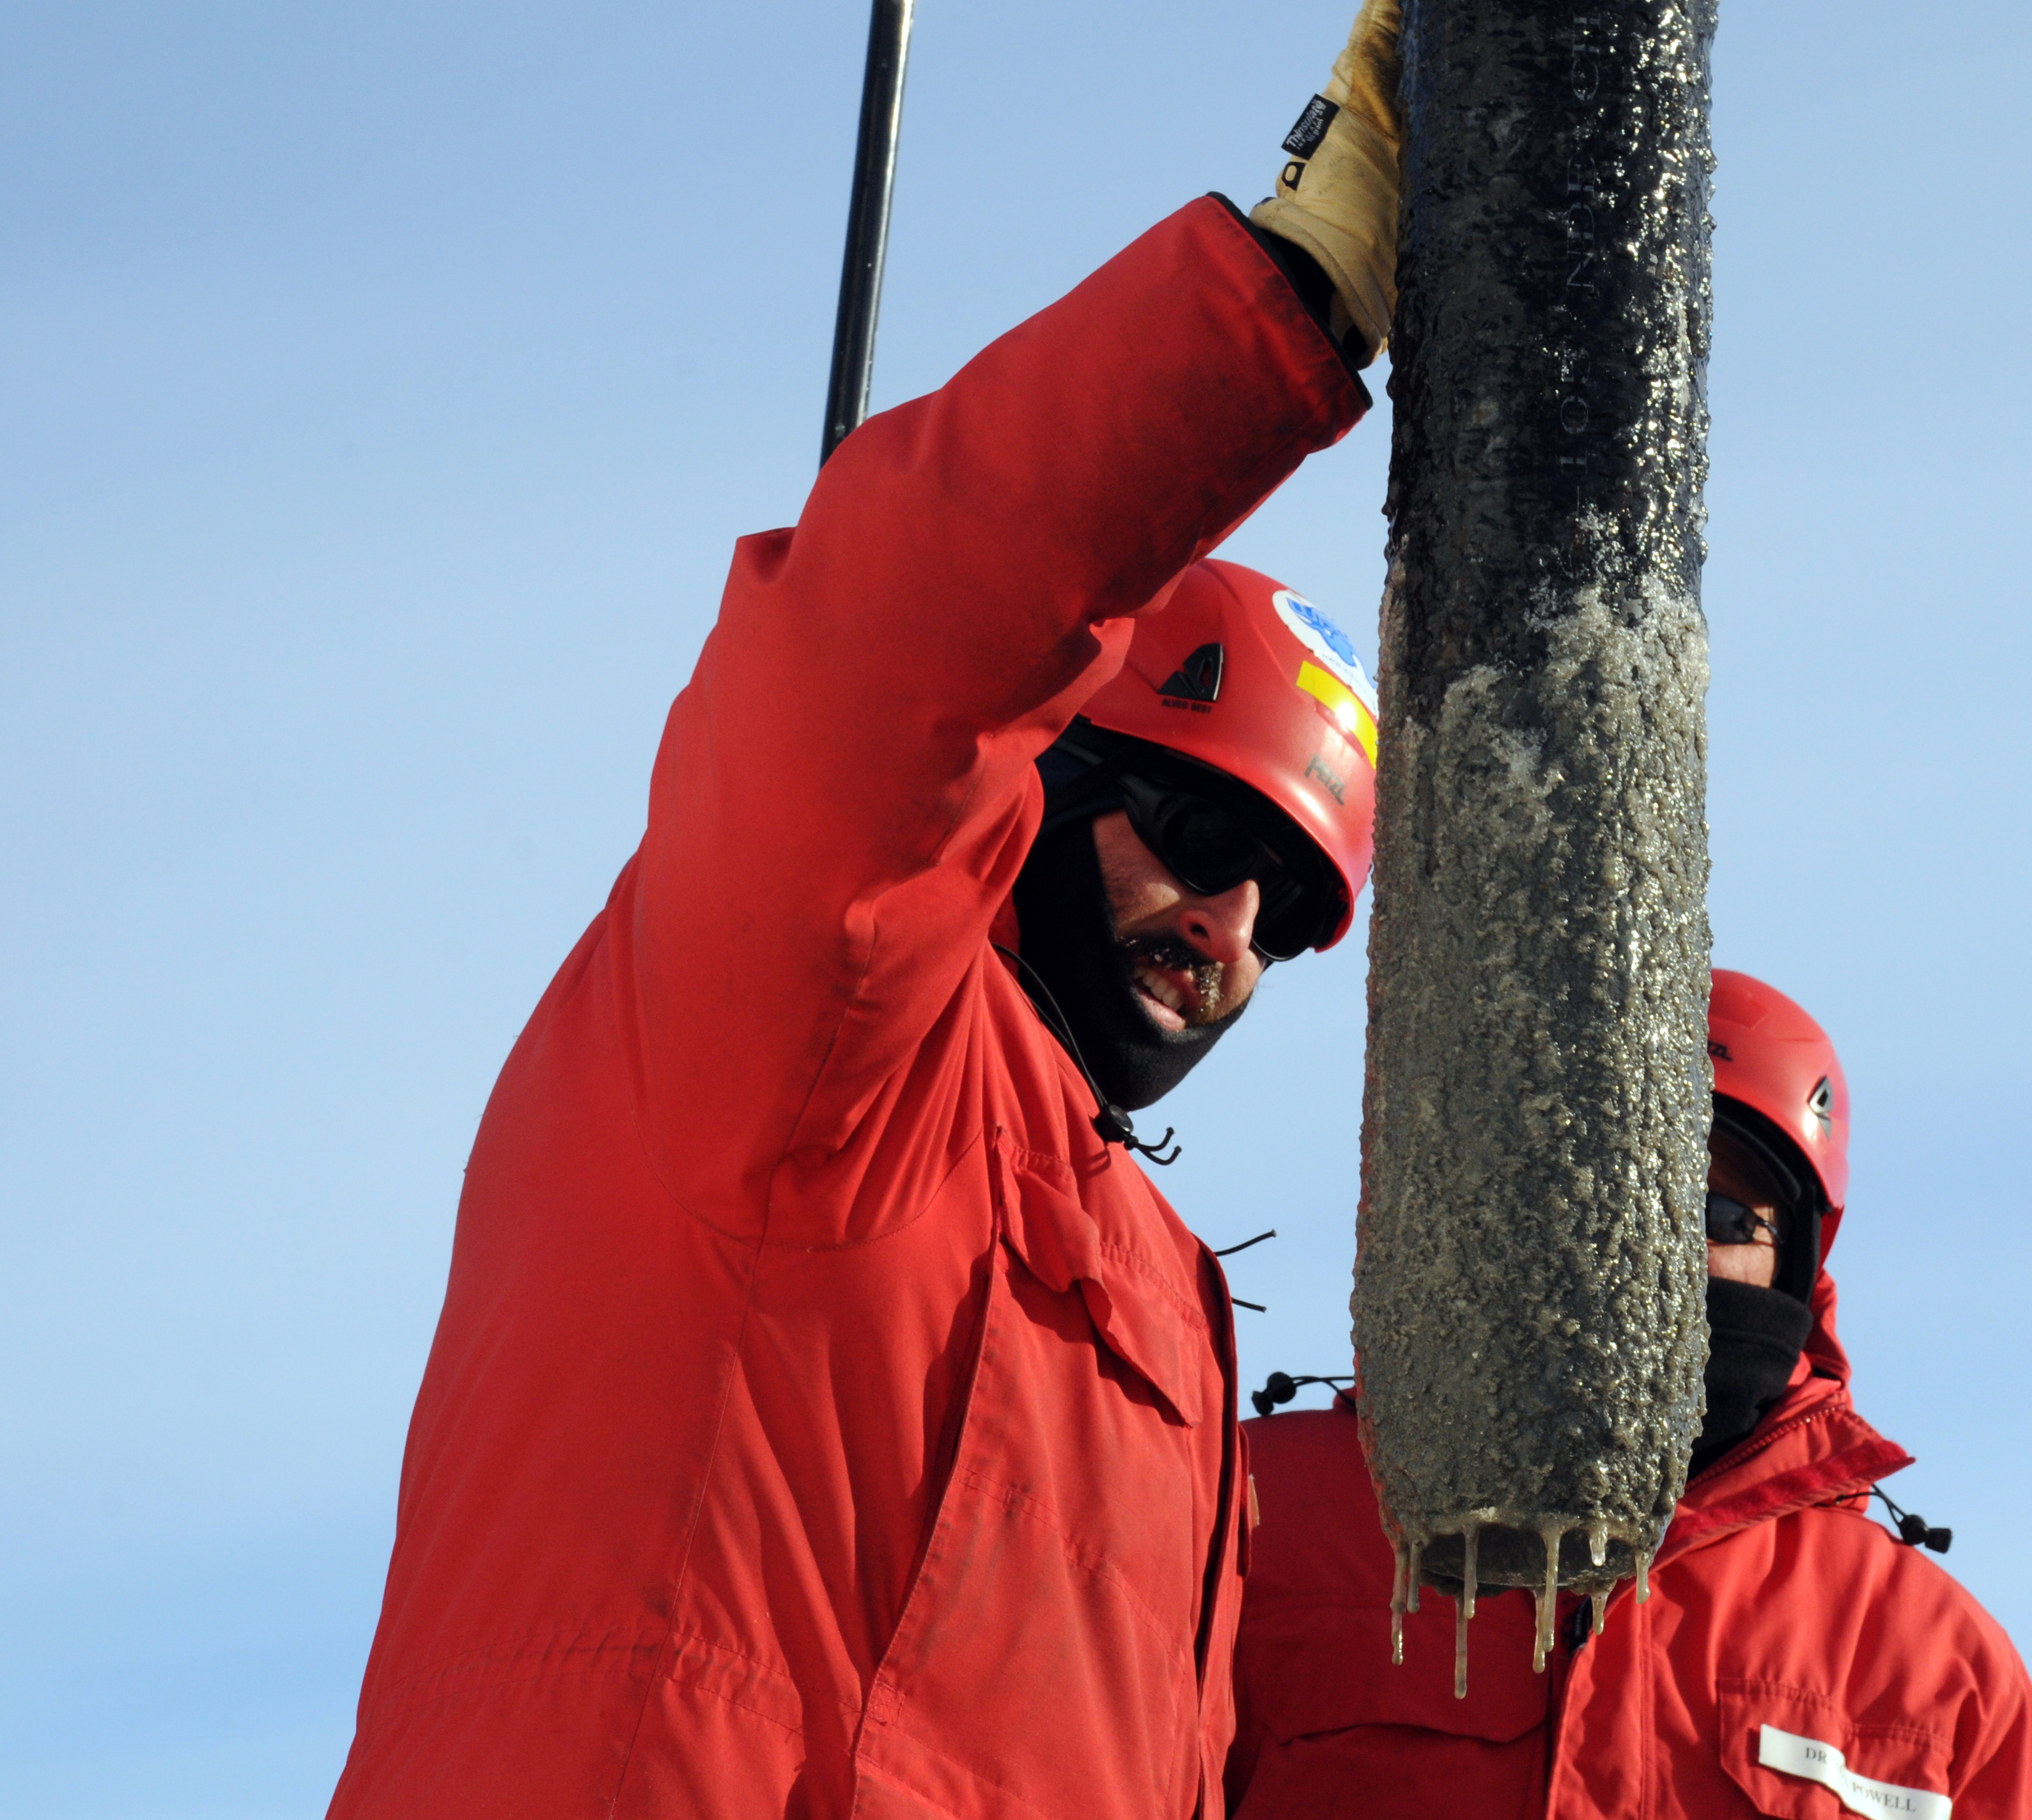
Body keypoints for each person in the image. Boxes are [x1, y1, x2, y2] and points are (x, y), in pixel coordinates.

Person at [326, 8, 1407, 1816]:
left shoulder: (1163, 1306)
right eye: (1187, 818)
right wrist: (1296, 290)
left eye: (1287, 901)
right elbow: (895, 631)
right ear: (1046, 772)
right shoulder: (809, 1025)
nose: (1223, 913)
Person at [1225, 969, 2032, 1820]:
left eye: (1720, 1216)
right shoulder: (1255, 1516)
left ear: (1798, 1259)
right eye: (1621, 1187)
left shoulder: (1935, 1667)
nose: (1659, 1248)